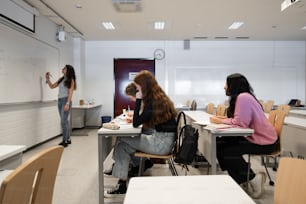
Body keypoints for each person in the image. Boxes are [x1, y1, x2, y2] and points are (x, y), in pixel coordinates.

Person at [105, 70, 178, 197]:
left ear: (144, 86)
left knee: (122, 141)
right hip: (163, 140)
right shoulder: (158, 98)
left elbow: (136, 123)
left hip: (161, 144)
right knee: (124, 145)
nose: (136, 89)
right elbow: (146, 120)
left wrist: (138, 100)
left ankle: (123, 179)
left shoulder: (152, 102)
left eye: (138, 86)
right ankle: (135, 168)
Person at [209, 73, 278, 199]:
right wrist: (223, 119)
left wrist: (220, 121)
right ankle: (243, 179)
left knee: (227, 151)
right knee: (218, 145)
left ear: (233, 86)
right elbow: (239, 119)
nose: (224, 87)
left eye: (226, 84)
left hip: (265, 142)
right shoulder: (243, 97)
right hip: (252, 138)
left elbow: (241, 123)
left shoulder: (243, 97)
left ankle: (252, 179)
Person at [45, 65, 77, 147]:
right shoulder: (61, 79)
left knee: (63, 121)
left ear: (68, 70)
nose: (62, 69)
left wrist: (67, 103)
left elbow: (70, 93)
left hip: (66, 100)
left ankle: (65, 140)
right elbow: (52, 86)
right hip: (59, 101)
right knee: (65, 121)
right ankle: (68, 138)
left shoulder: (71, 80)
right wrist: (48, 79)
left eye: (64, 68)